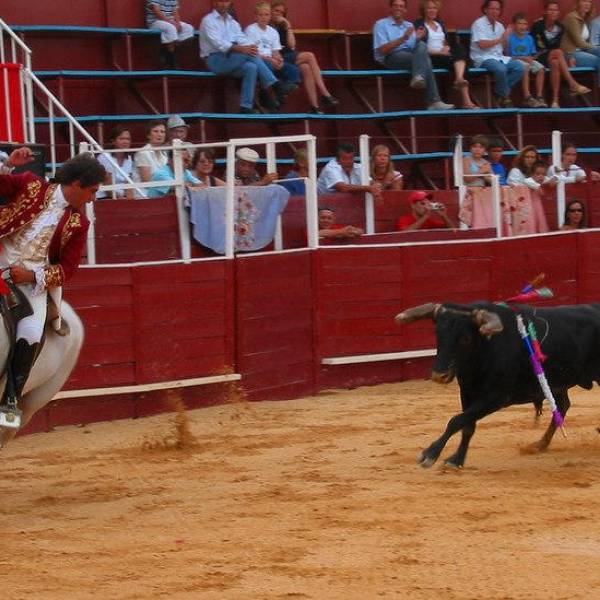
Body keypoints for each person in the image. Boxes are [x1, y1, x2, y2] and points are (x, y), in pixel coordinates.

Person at [0, 149, 105, 413]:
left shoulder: (79, 223)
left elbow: (67, 269)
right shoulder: (30, 184)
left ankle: (10, 398)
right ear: (77, 184)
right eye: (92, 191)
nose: (93, 198)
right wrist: (7, 165)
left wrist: (32, 275)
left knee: (32, 331)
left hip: (30, 282)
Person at [199, 0, 294, 114]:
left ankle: (246, 106)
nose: (224, 4)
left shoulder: (232, 23)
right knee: (249, 55)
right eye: (221, 1)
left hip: (231, 58)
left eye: (226, 1)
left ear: (230, 3)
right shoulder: (208, 20)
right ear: (215, 2)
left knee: (251, 67)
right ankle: (275, 85)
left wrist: (251, 47)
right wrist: (244, 49)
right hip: (215, 59)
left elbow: (242, 39)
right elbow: (219, 44)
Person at [373, 0, 454, 111]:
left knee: (421, 45)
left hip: (409, 56)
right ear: (391, 8)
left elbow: (413, 47)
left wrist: (418, 38)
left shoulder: (409, 25)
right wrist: (403, 39)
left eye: (401, 6)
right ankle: (433, 100)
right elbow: (383, 50)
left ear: (405, 10)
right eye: (395, 6)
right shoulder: (381, 24)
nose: (398, 8)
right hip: (391, 57)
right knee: (426, 60)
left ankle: (419, 77)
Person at [270, 1, 339, 114]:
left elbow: (292, 44)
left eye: (282, 12)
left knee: (306, 68)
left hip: (288, 55)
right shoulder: (266, 26)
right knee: (310, 56)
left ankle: (314, 107)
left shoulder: (283, 26)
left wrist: (288, 26)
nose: (279, 14)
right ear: (271, 10)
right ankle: (325, 93)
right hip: (278, 57)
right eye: (276, 10)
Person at [414, 0, 478, 109]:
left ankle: (459, 78)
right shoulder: (419, 25)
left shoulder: (440, 24)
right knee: (461, 62)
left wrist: (446, 46)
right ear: (423, 10)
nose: (432, 10)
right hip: (430, 57)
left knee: (459, 51)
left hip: (443, 55)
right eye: (429, 8)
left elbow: (444, 41)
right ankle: (466, 100)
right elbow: (419, 48)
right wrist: (440, 52)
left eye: (434, 8)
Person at [531, 1, 591, 108]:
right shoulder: (538, 25)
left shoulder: (560, 27)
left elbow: (558, 45)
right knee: (557, 53)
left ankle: (555, 101)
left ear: (558, 13)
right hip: (538, 56)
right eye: (550, 10)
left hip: (552, 56)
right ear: (545, 12)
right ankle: (572, 84)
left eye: (555, 10)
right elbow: (534, 44)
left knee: (555, 63)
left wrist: (570, 58)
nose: (553, 12)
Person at [244, 2, 300, 112]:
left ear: (270, 16)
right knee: (267, 65)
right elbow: (252, 53)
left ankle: (280, 95)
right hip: (258, 60)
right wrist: (271, 60)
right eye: (260, 15)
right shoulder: (251, 30)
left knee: (293, 70)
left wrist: (279, 59)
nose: (263, 18)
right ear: (255, 16)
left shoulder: (273, 32)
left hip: (271, 60)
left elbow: (275, 51)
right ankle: (267, 93)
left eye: (266, 15)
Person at [470, 0, 525, 108]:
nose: (495, 11)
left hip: (499, 57)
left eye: (498, 9)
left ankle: (498, 93)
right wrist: (501, 39)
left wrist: (508, 38)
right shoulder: (478, 23)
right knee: (501, 69)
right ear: (485, 10)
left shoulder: (500, 26)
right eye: (492, 8)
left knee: (520, 67)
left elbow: (503, 48)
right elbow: (482, 45)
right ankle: (504, 97)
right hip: (482, 58)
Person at [507, 12, 547, 107]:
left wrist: (532, 58)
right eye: (519, 23)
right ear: (514, 25)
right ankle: (527, 96)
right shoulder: (510, 38)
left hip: (528, 60)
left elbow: (532, 54)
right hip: (515, 61)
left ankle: (539, 96)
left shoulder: (529, 38)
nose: (522, 26)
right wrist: (523, 58)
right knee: (525, 67)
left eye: (524, 24)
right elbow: (508, 57)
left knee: (541, 69)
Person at [317, 143, 382, 198]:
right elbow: (343, 188)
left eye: (351, 158)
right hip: (322, 206)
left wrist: (376, 185)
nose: (349, 161)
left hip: (344, 204)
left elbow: (371, 182)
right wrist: (369, 188)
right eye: (345, 159)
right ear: (337, 160)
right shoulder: (330, 168)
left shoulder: (358, 167)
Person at [146, 0, 194, 69]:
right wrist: (172, 23)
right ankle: (172, 61)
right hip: (154, 22)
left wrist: (177, 23)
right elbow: (157, 11)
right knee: (171, 28)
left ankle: (166, 50)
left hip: (170, 21)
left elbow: (175, 12)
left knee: (188, 28)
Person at [561, 0, 600, 84]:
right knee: (598, 61)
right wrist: (595, 48)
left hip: (582, 50)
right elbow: (579, 42)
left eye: (589, 1)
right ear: (577, 3)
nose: (587, 4)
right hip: (571, 53)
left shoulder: (584, 19)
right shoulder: (571, 17)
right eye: (584, 1)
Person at [97, 125, 134, 200]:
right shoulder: (104, 157)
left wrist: (130, 199)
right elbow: (108, 188)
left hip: (122, 198)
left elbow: (129, 184)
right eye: (121, 139)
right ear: (113, 141)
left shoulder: (129, 159)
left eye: (128, 139)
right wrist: (123, 198)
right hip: (104, 197)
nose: (125, 141)